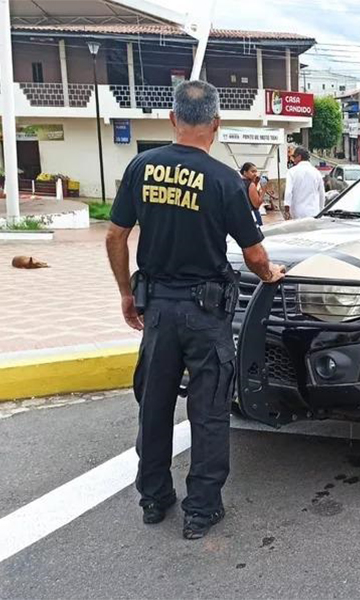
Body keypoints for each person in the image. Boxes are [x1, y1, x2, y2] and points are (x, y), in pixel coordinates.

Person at [105, 80, 285, 540]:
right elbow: (254, 255)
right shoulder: (226, 180)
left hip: (158, 311)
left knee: (155, 405)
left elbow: (115, 236)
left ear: (172, 119)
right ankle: (201, 510)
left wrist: (127, 293)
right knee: (208, 412)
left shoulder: (142, 166)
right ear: (216, 124)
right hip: (206, 316)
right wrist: (271, 276)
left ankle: (154, 498)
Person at [283, 146, 325, 220]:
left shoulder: (292, 172)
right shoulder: (316, 172)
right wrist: (321, 210)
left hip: (297, 213)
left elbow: (288, 192)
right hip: (313, 212)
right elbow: (322, 194)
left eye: (294, 157)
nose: (293, 160)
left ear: (299, 157)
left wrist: (286, 210)